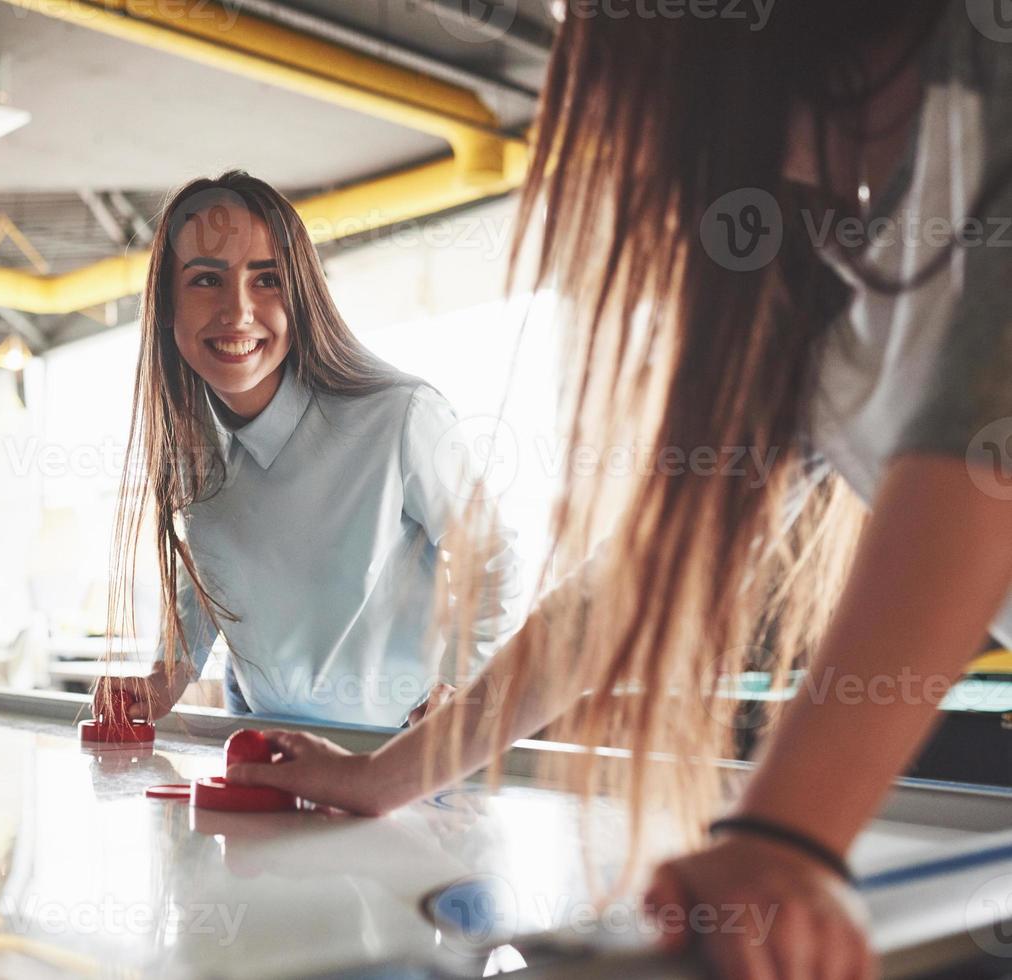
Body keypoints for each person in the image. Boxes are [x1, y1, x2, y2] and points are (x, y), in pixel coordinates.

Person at [225, 4, 1012, 978]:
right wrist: (386, 774)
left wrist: (788, 835)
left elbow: (979, 451)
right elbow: (631, 584)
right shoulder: (840, 275)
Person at [94, 171, 521, 729]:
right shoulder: (192, 440)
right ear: (168, 307)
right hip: (266, 747)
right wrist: (166, 675)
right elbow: (207, 572)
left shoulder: (400, 415)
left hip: (399, 756)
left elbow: (490, 561)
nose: (238, 310)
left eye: (266, 279)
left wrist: (461, 693)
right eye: (205, 280)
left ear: (302, 294)